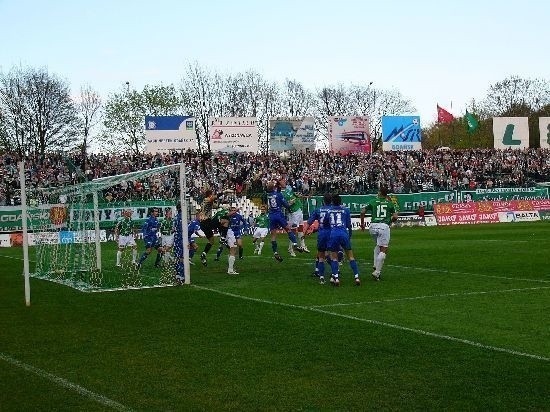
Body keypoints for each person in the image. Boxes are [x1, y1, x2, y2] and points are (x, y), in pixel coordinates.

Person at [360, 186, 398, 281]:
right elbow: (395, 217)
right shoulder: (389, 203)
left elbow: (362, 211)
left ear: (380, 193)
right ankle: (377, 272)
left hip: (372, 227)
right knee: (384, 248)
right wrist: (390, 221)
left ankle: (375, 265)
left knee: (378, 245)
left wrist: (362, 223)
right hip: (383, 226)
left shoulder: (373, 201)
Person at [324, 194, 360, 286]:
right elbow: (349, 225)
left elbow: (325, 224)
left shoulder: (329, 211)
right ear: (340, 202)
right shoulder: (346, 210)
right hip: (344, 234)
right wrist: (350, 235)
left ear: (332, 202)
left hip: (333, 234)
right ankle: (356, 277)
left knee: (334, 257)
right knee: (351, 256)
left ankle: (336, 278)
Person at [266, 181, 303, 262]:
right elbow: (286, 205)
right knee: (288, 229)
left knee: (273, 236)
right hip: (278, 215)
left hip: (271, 216)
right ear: (274, 188)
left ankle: (275, 252)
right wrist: (291, 202)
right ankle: (295, 244)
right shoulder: (279, 194)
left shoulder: (268, 195)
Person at [304, 193, 332, 284]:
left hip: (322, 234)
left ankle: (322, 276)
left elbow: (308, 223)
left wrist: (304, 233)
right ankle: (334, 274)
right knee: (330, 254)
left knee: (322, 255)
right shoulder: (334, 210)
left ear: (323, 201)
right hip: (332, 234)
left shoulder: (318, 210)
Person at [280, 177, 309, 256]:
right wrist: (290, 203)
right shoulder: (281, 193)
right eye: (282, 181)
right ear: (280, 184)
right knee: (293, 230)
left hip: (299, 209)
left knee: (300, 228)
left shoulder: (288, 188)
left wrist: (298, 195)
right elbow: (285, 205)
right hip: (293, 213)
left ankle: (303, 245)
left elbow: (294, 195)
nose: (284, 181)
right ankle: (290, 248)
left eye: (283, 180)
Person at [198, 189, 217, 266]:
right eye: (212, 194)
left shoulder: (208, 202)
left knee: (211, 241)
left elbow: (216, 206)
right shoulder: (206, 200)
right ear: (210, 195)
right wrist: (224, 192)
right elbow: (212, 199)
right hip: (206, 222)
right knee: (219, 220)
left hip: (205, 223)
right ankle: (224, 236)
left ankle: (203, 254)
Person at [226, 206, 246, 275]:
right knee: (232, 249)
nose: (234, 211)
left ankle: (238, 256)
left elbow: (244, 222)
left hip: (236, 232)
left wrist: (245, 229)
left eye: (235, 210)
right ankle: (230, 269)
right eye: (232, 210)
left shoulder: (239, 216)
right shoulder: (228, 216)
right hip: (230, 233)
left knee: (239, 245)